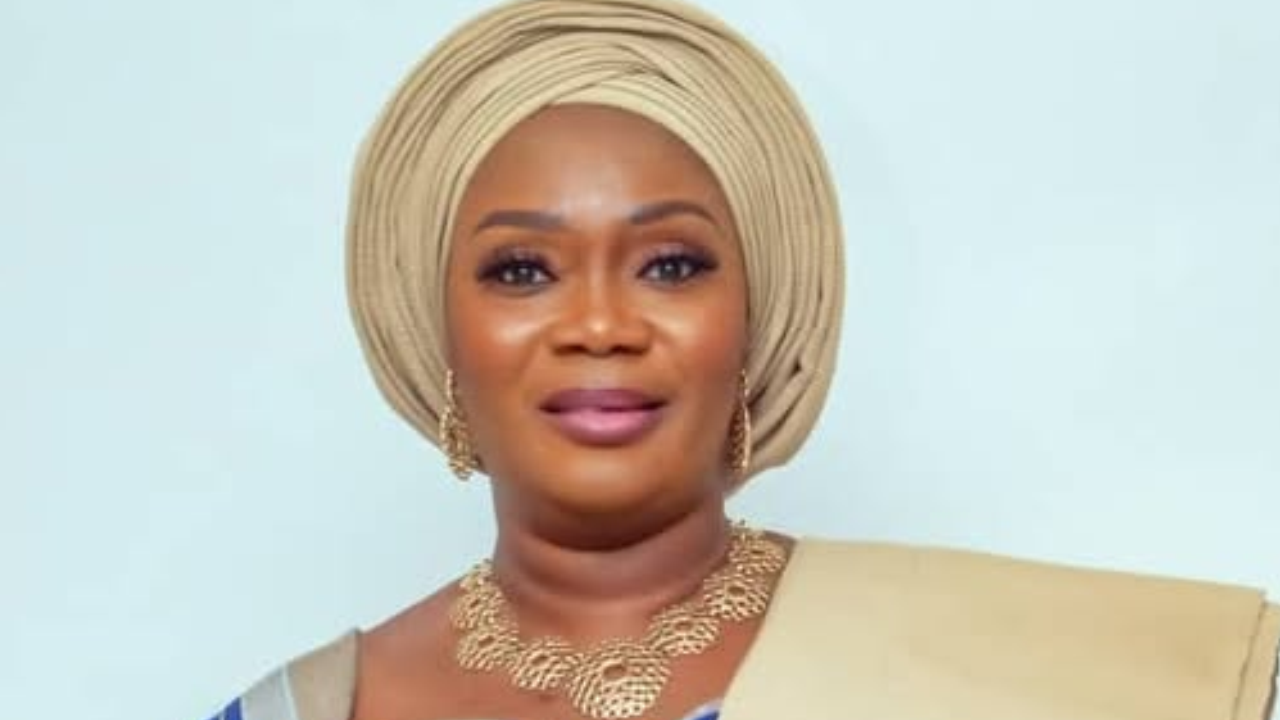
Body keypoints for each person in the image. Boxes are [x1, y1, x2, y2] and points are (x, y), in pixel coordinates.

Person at [209, 1, 1278, 719]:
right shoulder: (307, 709)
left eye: (670, 266)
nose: (599, 325)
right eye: (522, 271)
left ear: (755, 322)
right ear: (432, 332)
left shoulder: (1061, 671)